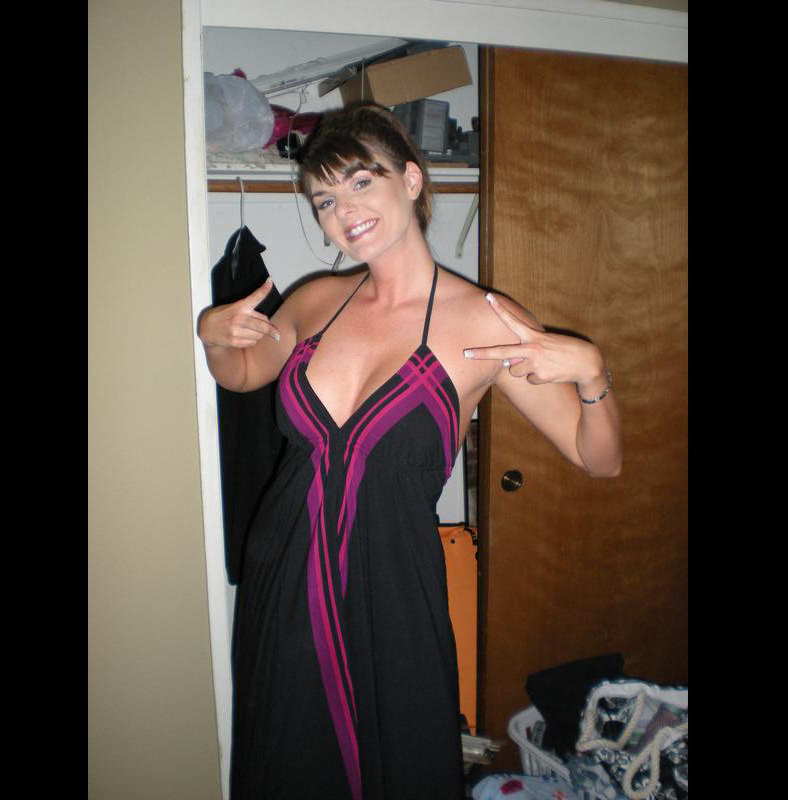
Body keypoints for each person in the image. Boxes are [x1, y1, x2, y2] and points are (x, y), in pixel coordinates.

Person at [198, 103, 622, 800]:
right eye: (324, 200)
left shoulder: (484, 319)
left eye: (361, 183)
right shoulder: (315, 301)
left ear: (413, 179)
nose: (343, 211)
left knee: (398, 766)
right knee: (287, 763)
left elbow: (597, 458)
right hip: (283, 580)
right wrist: (215, 336)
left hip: (392, 595)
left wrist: (593, 374)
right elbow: (243, 373)